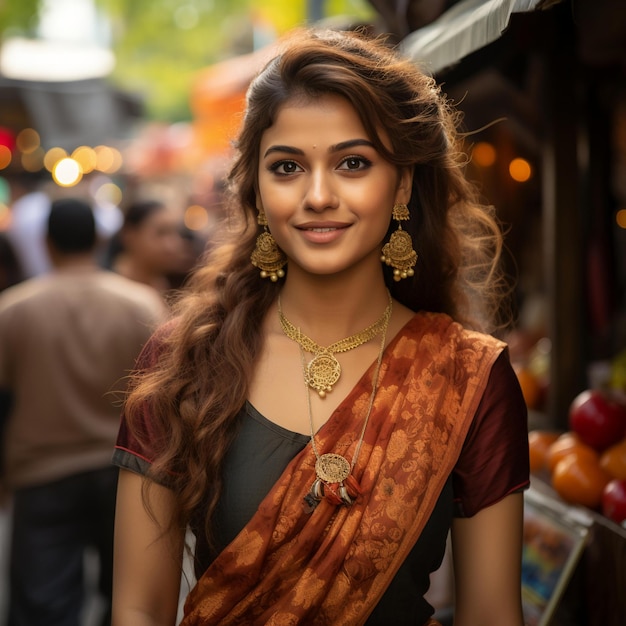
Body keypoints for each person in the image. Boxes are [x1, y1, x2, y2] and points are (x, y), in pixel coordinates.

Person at [112, 28, 530, 626]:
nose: (318, 195)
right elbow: (135, 610)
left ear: (404, 183)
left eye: (353, 163)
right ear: (257, 189)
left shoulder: (467, 378)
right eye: (287, 167)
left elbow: (492, 614)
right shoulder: (186, 361)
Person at [0, 198, 168, 626]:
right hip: (125, 474)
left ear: (46, 243)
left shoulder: (14, 310)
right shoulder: (141, 304)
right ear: (98, 239)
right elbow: (166, 397)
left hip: (41, 474)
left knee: (43, 604)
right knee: (127, 597)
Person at [105, 199, 190, 296]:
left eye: (176, 232)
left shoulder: (164, 287)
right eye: (161, 233)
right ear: (129, 236)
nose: (172, 244)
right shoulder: (110, 290)